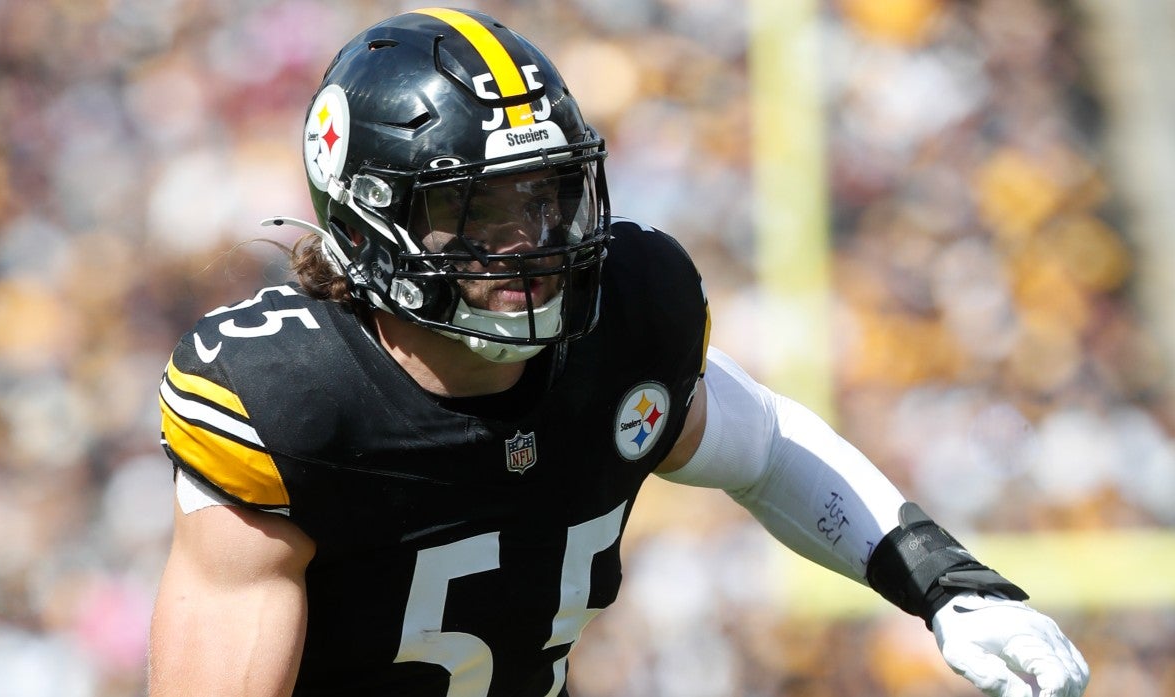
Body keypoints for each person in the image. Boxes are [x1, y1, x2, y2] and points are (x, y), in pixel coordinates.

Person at [147, 8, 1089, 697]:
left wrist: (947, 584)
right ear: (369, 218)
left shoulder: (621, 324)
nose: (530, 240)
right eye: (475, 209)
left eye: (547, 196)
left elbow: (762, 446)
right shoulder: (292, 400)